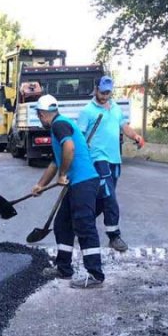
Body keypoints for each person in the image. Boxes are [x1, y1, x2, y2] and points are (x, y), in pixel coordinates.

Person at [30, 94, 105, 289]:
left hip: (84, 182)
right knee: (63, 223)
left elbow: (69, 148)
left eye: (39, 115)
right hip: (77, 184)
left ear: (43, 114)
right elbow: (56, 161)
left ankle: (95, 274)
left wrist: (63, 173)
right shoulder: (61, 125)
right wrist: (41, 185)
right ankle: (63, 268)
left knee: (84, 225)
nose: (39, 119)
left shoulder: (58, 125)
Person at [78, 75, 145, 253]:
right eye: (102, 92)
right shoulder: (87, 111)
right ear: (95, 88)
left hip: (115, 159)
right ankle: (114, 236)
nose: (105, 95)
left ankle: (81, 222)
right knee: (110, 197)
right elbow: (79, 137)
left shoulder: (115, 108)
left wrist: (136, 136)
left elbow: (124, 126)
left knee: (104, 197)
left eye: (108, 92)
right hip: (98, 159)